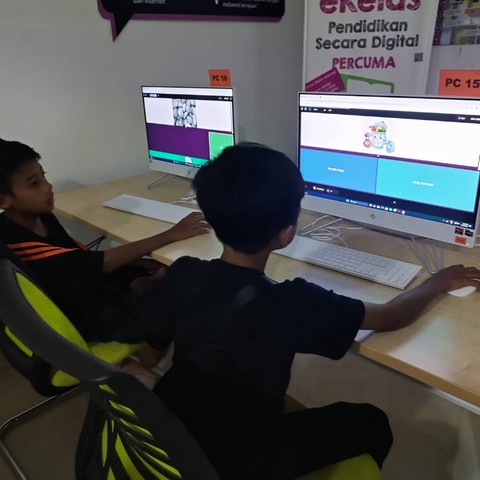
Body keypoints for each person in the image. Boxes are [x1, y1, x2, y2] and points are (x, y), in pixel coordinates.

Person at [137, 143, 480, 479]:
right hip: (240, 460)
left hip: (169, 430)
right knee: (370, 421)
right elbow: (391, 317)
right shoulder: (292, 302)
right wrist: (438, 281)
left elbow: (150, 355)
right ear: (286, 233)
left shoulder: (183, 272)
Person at [0, 138, 210, 356]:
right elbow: (101, 263)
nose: (47, 186)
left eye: (43, 176)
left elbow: (78, 259)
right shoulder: (19, 243)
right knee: (182, 280)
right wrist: (170, 234)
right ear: (3, 200)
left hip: (85, 289)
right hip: (91, 318)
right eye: (34, 184)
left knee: (156, 269)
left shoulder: (40, 217)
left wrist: (141, 262)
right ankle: (152, 354)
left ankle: (138, 287)